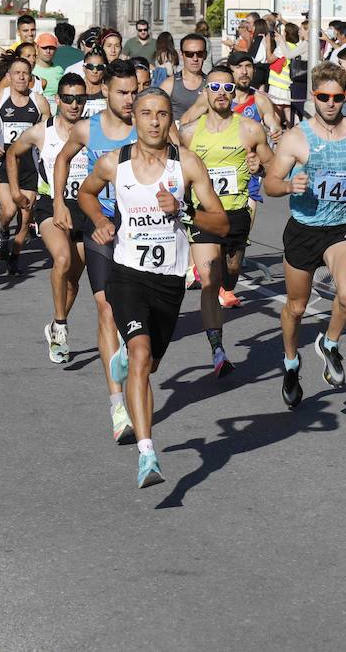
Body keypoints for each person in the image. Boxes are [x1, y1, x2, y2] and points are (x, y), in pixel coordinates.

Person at [78, 86, 229, 488]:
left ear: (170, 120)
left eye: (162, 114)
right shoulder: (116, 163)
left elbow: (221, 223)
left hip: (169, 281)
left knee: (152, 363)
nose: (154, 121)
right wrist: (99, 220)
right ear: (135, 118)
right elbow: (86, 193)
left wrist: (186, 210)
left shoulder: (188, 165)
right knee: (142, 354)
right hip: (127, 274)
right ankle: (147, 454)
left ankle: (128, 361)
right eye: (146, 113)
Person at [264, 62, 346, 409]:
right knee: (297, 307)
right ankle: (290, 363)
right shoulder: (297, 138)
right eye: (323, 97)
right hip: (304, 229)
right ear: (313, 96)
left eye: (337, 97)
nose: (330, 103)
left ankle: (329, 344)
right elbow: (269, 183)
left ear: (345, 97)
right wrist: (288, 185)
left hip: (342, 228)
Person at [53, 60, 142, 443]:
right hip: (100, 225)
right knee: (105, 307)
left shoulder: (149, 126)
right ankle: (117, 405)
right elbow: (62, 158)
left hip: (141, 231)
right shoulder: (88, 128)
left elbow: (181, 161)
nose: (130, 99)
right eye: (122, 92)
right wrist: (59, 201)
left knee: (138, 318)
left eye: (135, 91)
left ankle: (127, 354)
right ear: (105, 90)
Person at [178, 64, 273, 377]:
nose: (221, 93)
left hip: (236, 214)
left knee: (229, 275)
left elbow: (272, 168)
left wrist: (259, 166)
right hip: (202, 215)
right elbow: (175, 173)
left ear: (235, 93)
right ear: (205, 91)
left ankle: (231, 278)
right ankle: (217, 349)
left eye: (227, 88)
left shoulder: (249, 129)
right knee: (209, 280)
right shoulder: (189, 132)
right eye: (215, 87)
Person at [6, 72, 89, 362]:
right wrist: (16, 191)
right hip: (50, 205)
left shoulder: (92, 131)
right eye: (68, 99)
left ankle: (55, 323)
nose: (74, 105)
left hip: (85, 208)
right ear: (58, 100)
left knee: (74, 281)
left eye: (80, 99)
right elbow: (12, 153)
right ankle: (61, 328)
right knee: (62, 259)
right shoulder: (42, 131)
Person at [0, 55, 49, 274]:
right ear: (8, 76)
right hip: (3, 161)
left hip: (29, 164)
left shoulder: (39, 102)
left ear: (30, 77)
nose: (21, 76)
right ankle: (2, 231)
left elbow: (48, 133)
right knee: (10, 210)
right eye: (17, 73)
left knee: (25, 217)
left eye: (25, 73)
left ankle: (15, 256)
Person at [159, 33, 209, 122]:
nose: (195, 59)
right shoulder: (169, 84)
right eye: (189, 54)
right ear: (181, 55)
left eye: (199, 53)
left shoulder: (211, 85)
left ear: (205, 55)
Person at [30, 31, 64, 104]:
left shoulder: (59, 70)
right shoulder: (30, 69)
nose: (48, 51)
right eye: (44, 48)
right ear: (36, 47)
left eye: (52, 48)